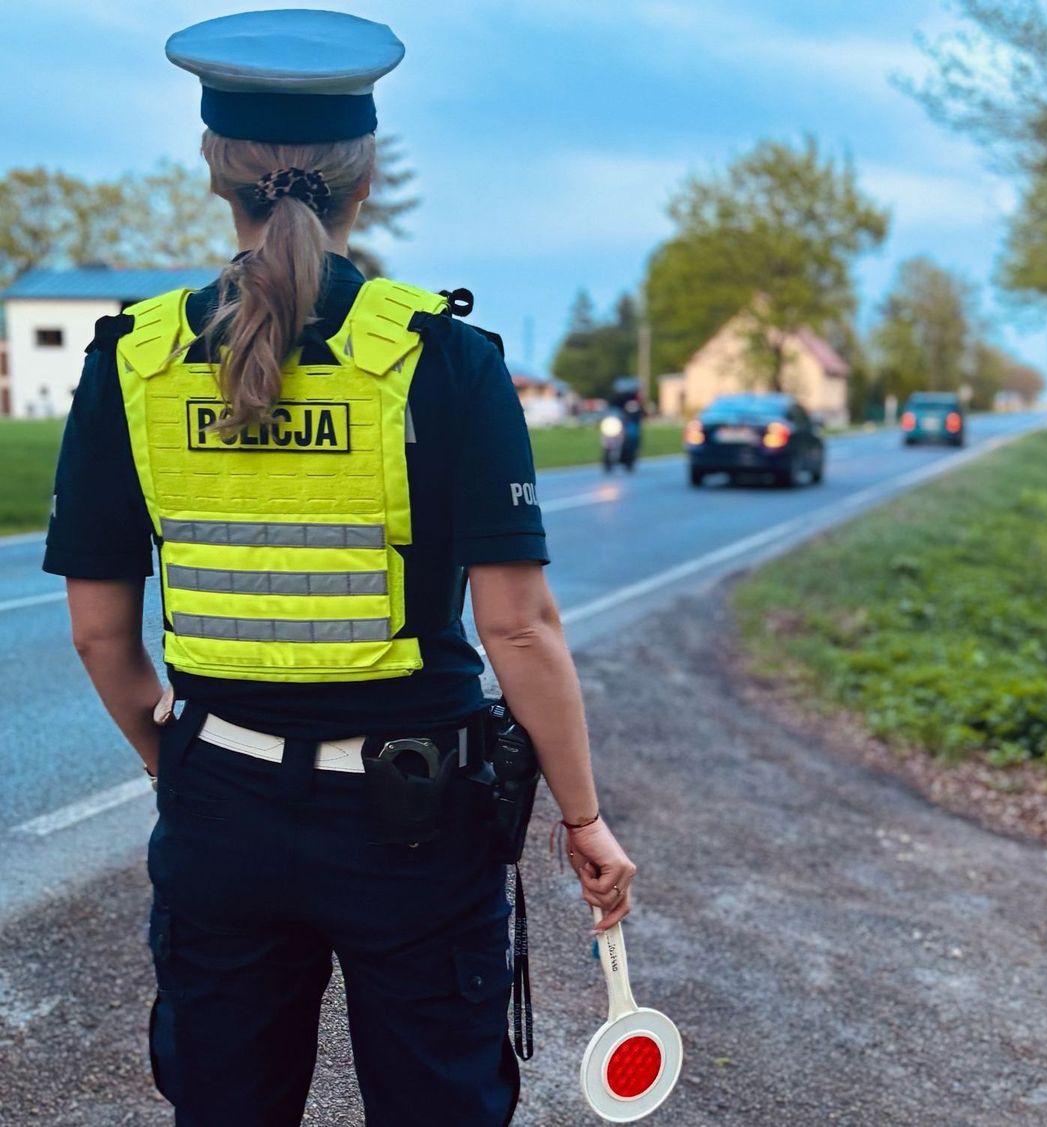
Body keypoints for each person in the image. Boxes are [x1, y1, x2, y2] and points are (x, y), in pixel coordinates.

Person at [43, 11, 636, 1125]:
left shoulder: (134, 360)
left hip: (219, 802)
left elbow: (99, 636)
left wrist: (184, 763)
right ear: (364, 178)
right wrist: (582, 816)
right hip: (413, 817)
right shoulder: (446, 358)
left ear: (218, 173)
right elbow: (520, 628)